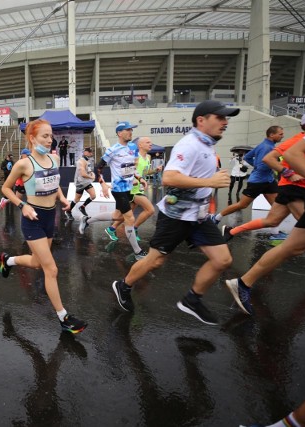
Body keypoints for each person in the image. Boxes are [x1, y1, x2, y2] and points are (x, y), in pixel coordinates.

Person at [111, 99, 238, 325]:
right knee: (155, 261)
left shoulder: (206, 144)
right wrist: (210, 181)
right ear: (201, 120)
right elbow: (169, 178)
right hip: (176, 215)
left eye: (226, 118)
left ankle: (192, 300)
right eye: (220, 118)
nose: (225, 122)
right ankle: (124, 285)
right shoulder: (189, 144)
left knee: (222, 259)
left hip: (197, 216)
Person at [225, 120, 305, 315]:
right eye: (279, 133)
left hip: (279, 184)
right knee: (244, 206)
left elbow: (253, 158)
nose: (282, 136)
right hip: (290, 188)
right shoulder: (296, 140)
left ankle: (231, 232)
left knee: (275, 223)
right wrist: (288, 173)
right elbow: (269, 158)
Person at [0, 118, 87, 334]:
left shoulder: (54, 159)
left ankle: (8, 261)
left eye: (51, 136)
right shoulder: (24, 164)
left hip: (50, 217)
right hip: (32, 220)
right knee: (51, 269)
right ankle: (64, 317)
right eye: (44, 136)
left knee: (38, 263)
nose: (50, 140)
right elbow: (6, 189)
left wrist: (63, 198)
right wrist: (22, 206)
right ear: (32, 138)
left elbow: (54, 183)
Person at [80, 121, 147, 259]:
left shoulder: (133, 147)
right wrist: (103, 184)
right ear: (119, 133)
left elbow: (132, 167)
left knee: (118, 216)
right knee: (129, 218)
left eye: (131, 130)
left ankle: (87, 220)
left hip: (129, 188)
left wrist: (140, 178)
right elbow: (98, 168)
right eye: (127, 130)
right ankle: (138, 252)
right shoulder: (112, 150)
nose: (130, 132)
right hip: (118, 189)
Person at [210, 126, 284, 224]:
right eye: (280, 134)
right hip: (258, 182)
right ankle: (216, 217)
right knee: (242, 204)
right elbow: (262, 165)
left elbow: (248, 157)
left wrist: (256, 165)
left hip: (268, 180)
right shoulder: (267, 147)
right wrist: (277, 167)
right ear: (271, 135)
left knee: (276, 206)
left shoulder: (264, 145)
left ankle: (275, 232)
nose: (282, 136)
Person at [108, 137, 158, 241]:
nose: (150, 144)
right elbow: (126, 172)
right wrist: (133, 181)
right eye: (148, 142)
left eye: (151, 142)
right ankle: (134, 228)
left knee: (125, 215)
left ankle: (111, 228)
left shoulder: (148, 157)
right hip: (132, 189)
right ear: (140, 145)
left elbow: (145, 173)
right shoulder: (135, 157)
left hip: (139, 188)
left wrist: (155, 171)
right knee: (150, 210)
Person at [64, 146, 96, 220]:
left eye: (91, 152)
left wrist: (92, 174)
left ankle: (82, 207)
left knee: (93, 196)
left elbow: (89, 170)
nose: (91, 153)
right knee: (77, 199)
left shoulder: (89, 160)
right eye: (90, 152)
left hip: (86, 182)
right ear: (85, 152)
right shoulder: (80, 161)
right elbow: (83, 174)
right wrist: (91, 177)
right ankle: (68, 211)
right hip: (80, 183)